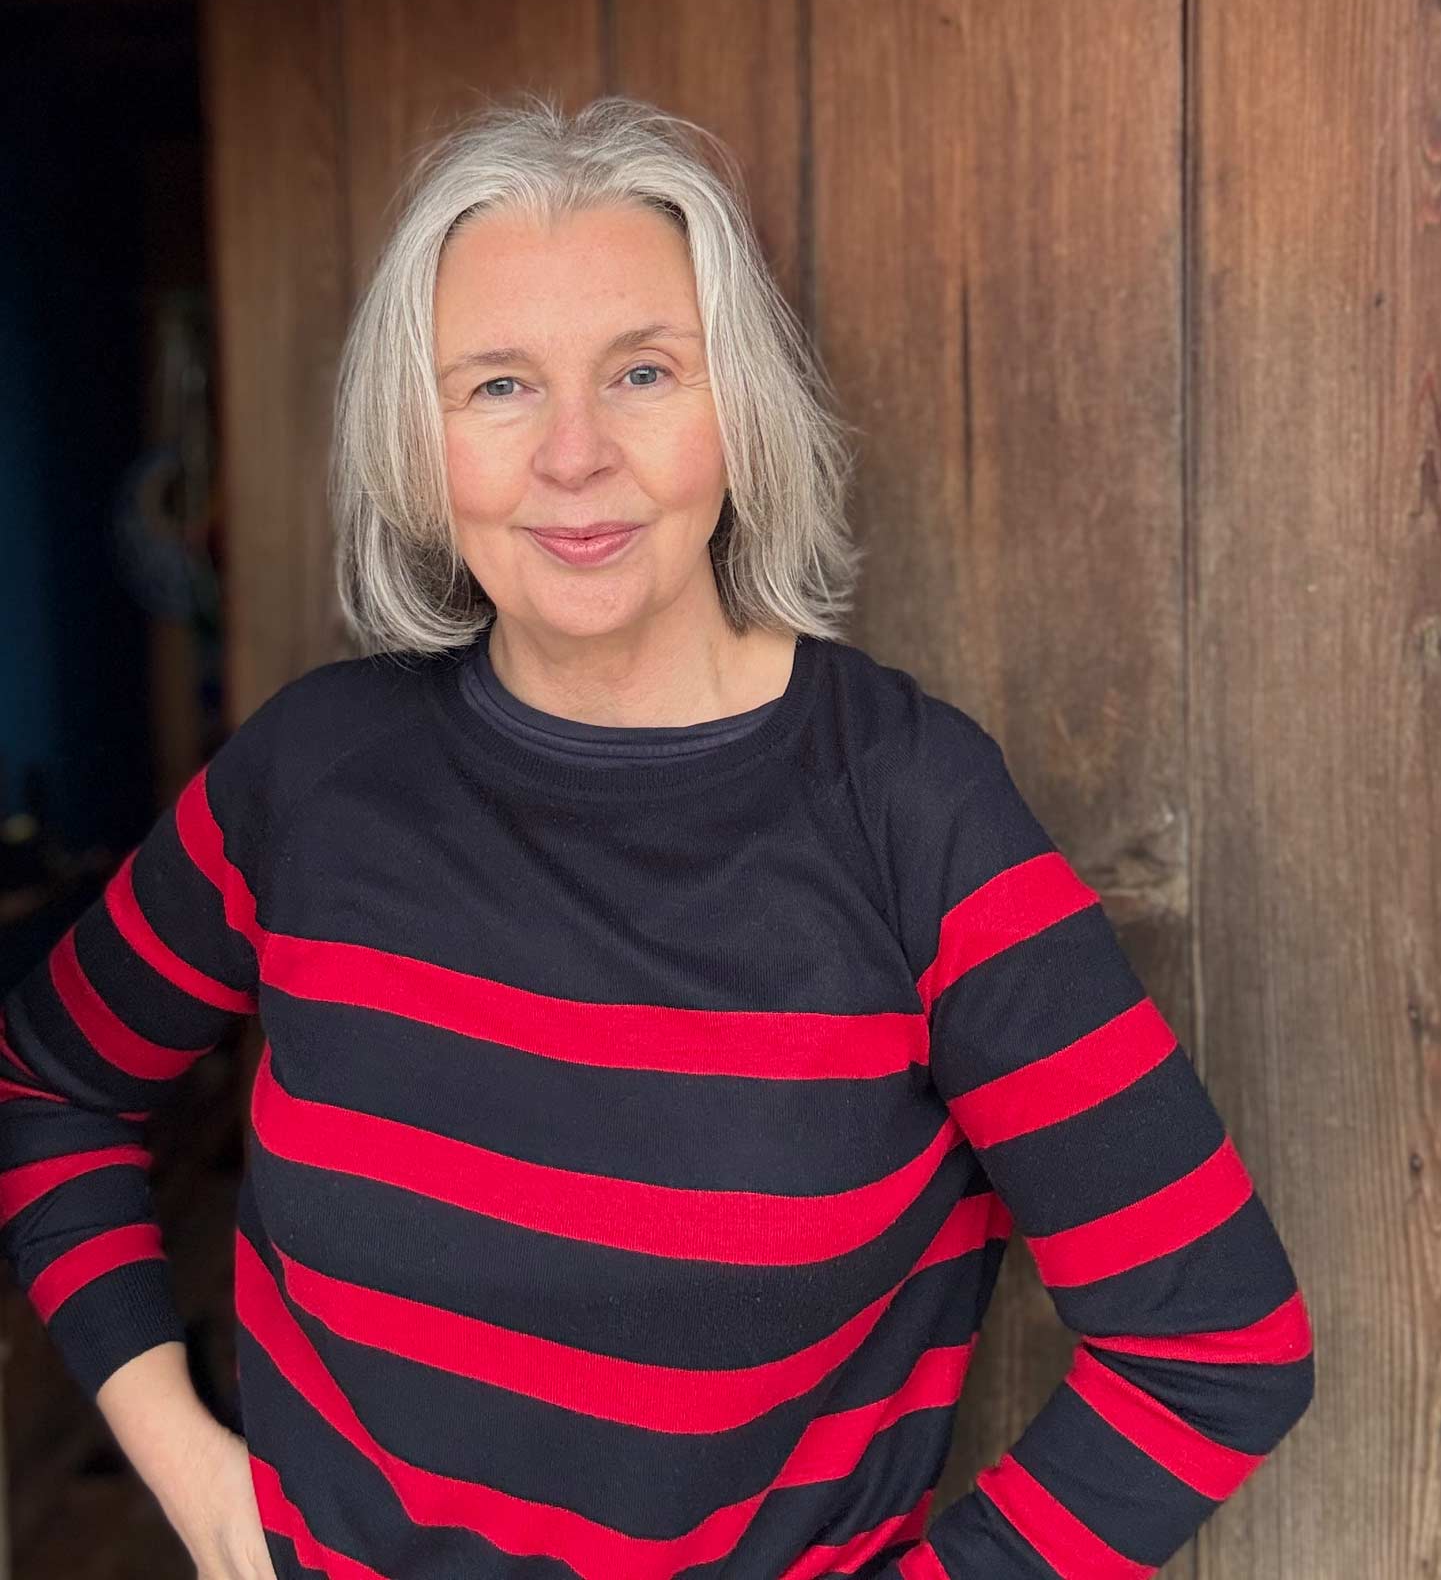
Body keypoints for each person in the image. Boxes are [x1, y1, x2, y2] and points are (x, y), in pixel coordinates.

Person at [0, 95, 1313, 1580]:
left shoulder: (912, 815)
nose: (574, 456)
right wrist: (179, 1454)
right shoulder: (310, 776)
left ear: (740, 410)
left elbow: (1211, 1347)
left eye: (641, 371)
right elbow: (48, 1084)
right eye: (497, 387)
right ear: (415, 443)